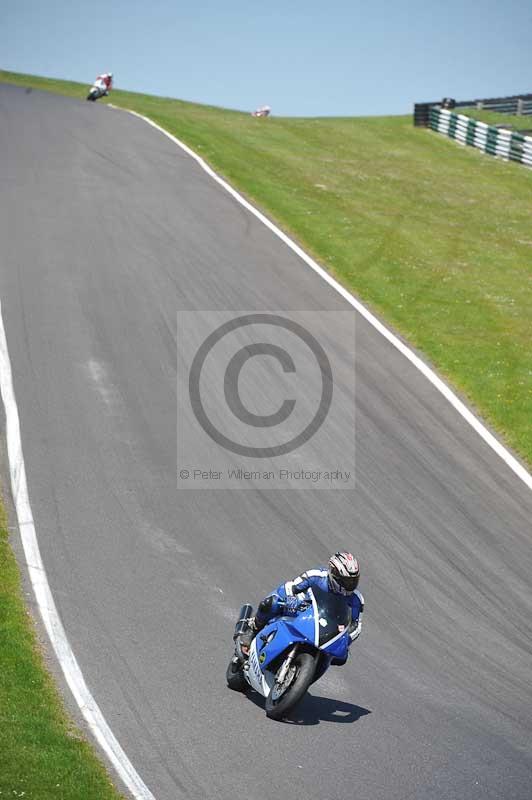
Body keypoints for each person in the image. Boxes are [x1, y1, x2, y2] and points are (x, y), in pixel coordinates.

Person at [240, 551, 364, 652]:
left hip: (327, 630)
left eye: (353, 581)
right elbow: (290, 586)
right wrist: (290, 599)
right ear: (334, 574)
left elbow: (356, 626)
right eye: (346, 581)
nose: (350, 585)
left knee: (339, 656)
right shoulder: (316, 576)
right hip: (301, 610)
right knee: (270, 603)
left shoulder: (357, 600)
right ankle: (253, 629)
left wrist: (345, 639)